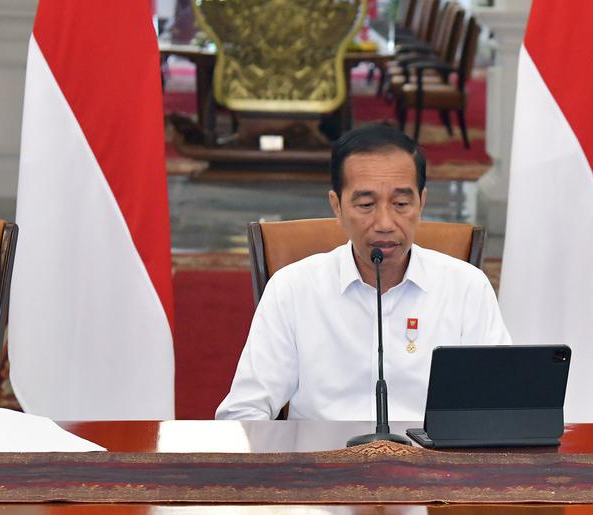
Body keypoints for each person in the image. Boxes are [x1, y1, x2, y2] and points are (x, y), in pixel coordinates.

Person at [216, 124, 511, 421]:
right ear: (338, 206)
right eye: (367, 204)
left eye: (400, 204)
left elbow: (500, 404)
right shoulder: (292, 289)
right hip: (321, 462)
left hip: (430, 464)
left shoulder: (465, 287)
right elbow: (242, 412)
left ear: (421, 203)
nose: (384, 222)